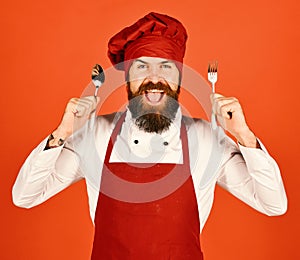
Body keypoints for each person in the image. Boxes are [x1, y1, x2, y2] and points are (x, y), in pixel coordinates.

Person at [12, 12, 287, 259]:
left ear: (179, 78)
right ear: (127, 78)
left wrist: (245, 136)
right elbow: (25, 196)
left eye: (166, 66)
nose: (154, 77)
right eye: (142, 66)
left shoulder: (206, 139)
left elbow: (273, 203)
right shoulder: (95, 136)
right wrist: (62, 133)